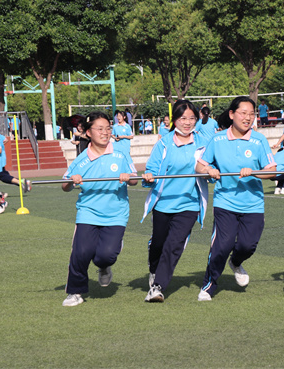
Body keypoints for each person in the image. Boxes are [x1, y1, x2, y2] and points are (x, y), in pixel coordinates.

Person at [195, 96, 276, 301]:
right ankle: (208, 285)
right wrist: (208, 170)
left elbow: (272, 171)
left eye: (251, 114)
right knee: (222, 246)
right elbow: (199, 166)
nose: (248, 118)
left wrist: (254, 172)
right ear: (232, 114)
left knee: (247, 246)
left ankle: (236, 262)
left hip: (253, 204)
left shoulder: (259, 140)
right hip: (225, 201)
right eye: (243, 113)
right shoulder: (218, 139)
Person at [61, 111, 138, 307]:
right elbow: (65, 185)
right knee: (81, 252)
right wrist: (72, 180)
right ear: (88, 133)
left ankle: (104, 266)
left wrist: (128, 177)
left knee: (106, 255)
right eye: (100, 129)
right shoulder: (82, 159)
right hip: (88, 211)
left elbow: (134, 179)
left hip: (116, 213)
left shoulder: (120, 154)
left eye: (108, 128)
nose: (105, 133)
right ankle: (75, 291)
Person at [141, 100, 209, 303]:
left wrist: (211, 171)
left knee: (174, 244)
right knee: (158, 243)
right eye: (183, 118)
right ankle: (154, 267)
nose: (187, 122)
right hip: (163, 203)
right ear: (174, 120)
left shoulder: (203, 142)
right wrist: (149, 177)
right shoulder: (164, 143)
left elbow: (210, 165)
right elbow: (151, 169)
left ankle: (157, 287)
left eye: (192, 118)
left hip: (189, 204)